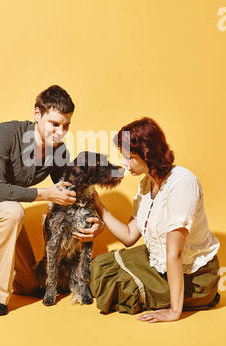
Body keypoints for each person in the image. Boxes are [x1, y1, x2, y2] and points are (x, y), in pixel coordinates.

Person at [0, 85, 103, 316]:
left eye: (66, 125)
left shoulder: (59, 151)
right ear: (37, 114)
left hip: (7, 209)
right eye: (54, 124)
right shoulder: (7, 133)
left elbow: (72, 193)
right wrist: (45, 193)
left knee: (30, 284)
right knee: (13, 211)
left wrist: (98, 219)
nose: (61, 132)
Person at [88, 117, 220, 323]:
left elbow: (174, 252)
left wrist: (175, 312)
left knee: (120, 287)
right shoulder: (145, 185)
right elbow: (130, 236)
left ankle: (191, 299)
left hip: (193, 276)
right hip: (159, 261)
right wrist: (97, 203)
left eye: (129, 157)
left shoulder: (182, 183)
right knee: (98, 266)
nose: (124, 163)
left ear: (147, 154)